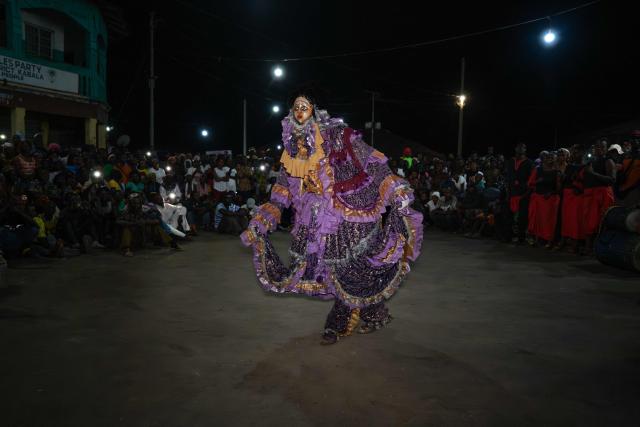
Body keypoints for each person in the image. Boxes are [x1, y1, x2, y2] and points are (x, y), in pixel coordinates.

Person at [241, 93, 422, 345]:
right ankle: (376, 313)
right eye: (295, 108)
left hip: (344, 214)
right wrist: (265, 217)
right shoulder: (292, 147)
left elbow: (370, 160)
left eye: (304, 106)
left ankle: (336, 325)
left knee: (343, 267)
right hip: (312, 217)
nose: (299, 111)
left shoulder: (336, 134)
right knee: (334, 270)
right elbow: (283, 187)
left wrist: (396, 188)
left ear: (314, 109)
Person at [582, 139, 616, 254]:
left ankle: (600, 249)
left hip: (603, 193)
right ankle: (588, 248)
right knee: (589, 222)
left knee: (602, 222)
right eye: (597, 147)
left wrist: (593, 174)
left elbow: (612, 180)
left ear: (606, 149)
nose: (599, 149)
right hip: (590, 194)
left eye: (602, 147)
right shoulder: (591, 161)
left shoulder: (609, 161)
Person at [527, 151, 561, 247]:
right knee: (537, 220)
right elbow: (530, 184)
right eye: (548, 157)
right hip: (538, 198)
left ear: (555, 159)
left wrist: (551, 193)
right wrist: (537, 182)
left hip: (550, 199)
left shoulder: (556, 172)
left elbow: (559, 189)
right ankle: (537, 239)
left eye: (552, 157)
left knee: (548, 221)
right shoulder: (538, 170)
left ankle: (549, 240)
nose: (549, 159)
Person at [505, 142, 534, 243]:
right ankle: (508, 236)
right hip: (512, 193)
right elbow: (508, 178)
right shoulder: (511, 161)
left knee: (522, 218)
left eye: (523, 147)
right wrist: (508, 191)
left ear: (525, 150)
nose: (520, 149)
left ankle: (521, 238)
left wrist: (526, 191)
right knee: (509, 216)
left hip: (523, 194)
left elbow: (531, 179)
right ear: (515, 149)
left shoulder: (529, 162)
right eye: (519, 147)